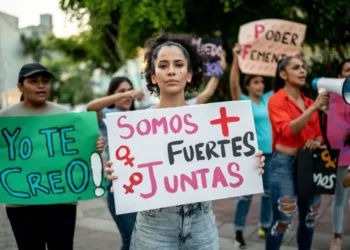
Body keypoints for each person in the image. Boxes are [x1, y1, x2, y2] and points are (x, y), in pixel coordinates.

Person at [104, 32, 266, 250]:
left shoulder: (208, 121)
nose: (171, 71)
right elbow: (130, 170)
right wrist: (118, 173)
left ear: (189, 74)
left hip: (202, 226)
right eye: (163, 65)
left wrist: (249, 162)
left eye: (179, 64)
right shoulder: (134, 128)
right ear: (153, 76)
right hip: (155, 228)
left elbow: (225, 158)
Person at [0, 62, 104, 250]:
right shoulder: (5, 119)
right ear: (20, 86)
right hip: (21, 205)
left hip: (61, 201)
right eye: (34, 81)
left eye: (45, 81)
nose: (41, 85)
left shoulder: (65, 116)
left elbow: (83, 148)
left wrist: (95, 145)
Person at [266, 56, 329, 250]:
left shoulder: (309, 101)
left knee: (309, 218)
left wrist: (315, 142)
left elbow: (319, 135)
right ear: (284, 74)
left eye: (303, 67)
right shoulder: (275, 100)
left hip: (309, 162)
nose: (303, 71)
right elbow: (288, 130)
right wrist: (314, 109)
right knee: (283, 220)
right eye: (296, 68)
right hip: (284, 164)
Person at [86, 76, 144, 250]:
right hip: (118, 186)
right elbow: (91, 107)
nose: (127, 95)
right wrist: (120, 96)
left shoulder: (139, 116)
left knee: (143, 239)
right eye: (121, 91)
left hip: (142, 184)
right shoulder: (106, 115)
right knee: (130, 239)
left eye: (129, 90)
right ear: (111, 94)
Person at [229, 43, 273, 247]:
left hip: (270, 155)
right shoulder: (243, 100)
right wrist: (236, 59)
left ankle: (264, 225)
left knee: (268, 193)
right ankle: (238, 230)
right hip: (251, 156)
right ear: (248, 86)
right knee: (245, 196)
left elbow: (282, 82)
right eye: (256, 82)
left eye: (262, 82)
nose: (260, 85)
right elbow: (234, 86)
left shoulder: (266, 99)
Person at [327, 59, 350, 250]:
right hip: (342, 157)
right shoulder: (332, 96)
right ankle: (337, 237)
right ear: (339, 75)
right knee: (340, 197)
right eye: (347, 70)